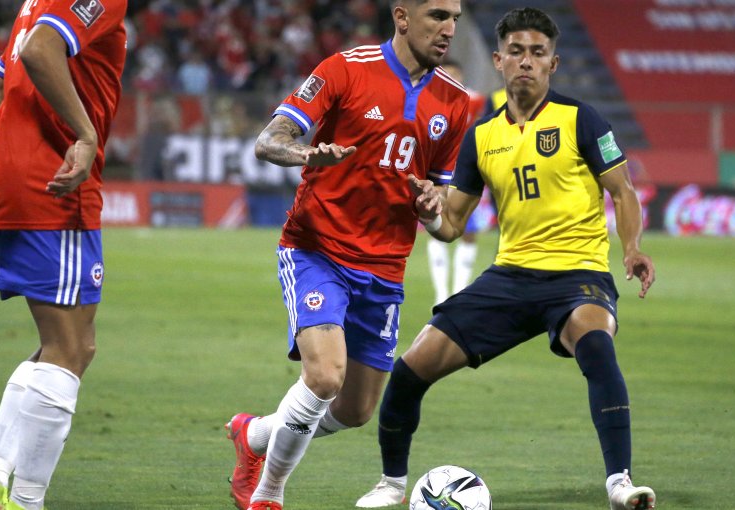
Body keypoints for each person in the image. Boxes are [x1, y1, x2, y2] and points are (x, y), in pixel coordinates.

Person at [355, 7, 656, 510]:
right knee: (411, 368)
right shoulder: (481, 134)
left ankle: (620, 483)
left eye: (538, 53)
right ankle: (391, 484)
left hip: (577, 273)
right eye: (516, 51)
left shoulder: (582, 120)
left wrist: (631, 248)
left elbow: (622, 192)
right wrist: (429, 212)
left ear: (553, 64)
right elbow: (451, 225)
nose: (526, 62)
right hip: (511, 276)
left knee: (596, 345)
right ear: (497, 60)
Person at [224, 1, 469, 509]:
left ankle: (255, 437)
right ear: (402, 17)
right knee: (324, 376)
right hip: (317, 248)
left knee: (355, 408)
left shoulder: (455, 103)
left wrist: (429, 208)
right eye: (437, 15)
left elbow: (444, 222)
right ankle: (266, 493)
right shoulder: (345, 69)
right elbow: (269, 142)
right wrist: (304, 153)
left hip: (383, 268)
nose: (448, 29)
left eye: (455, 19)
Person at [0, 1, 128, 509]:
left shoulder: (37, 1)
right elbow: (38, 50)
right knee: (68, 350)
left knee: (72, 346)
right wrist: (86, 131)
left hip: (19, 172)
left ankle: (3, 473)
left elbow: (7, 71)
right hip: (54, 180)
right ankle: (25, 500)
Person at [425, 60, 494, 305]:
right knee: (437, 229)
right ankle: (441, 292)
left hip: (467, 175)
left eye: (456, 75)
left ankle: (458, 291)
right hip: (437, 174)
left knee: (468, 231)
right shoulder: (429, 98)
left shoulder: (476, 101)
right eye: (448, 75)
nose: (453, 79)